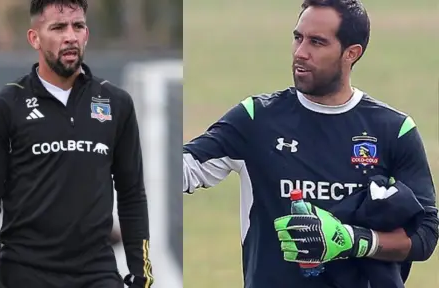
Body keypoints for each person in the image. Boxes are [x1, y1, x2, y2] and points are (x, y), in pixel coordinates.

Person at [182, 0, 438, 287]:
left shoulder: (394, 129)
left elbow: (426, 234)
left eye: (317, 42)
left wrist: (354, 241)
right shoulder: (257, 119)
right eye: (298, 38)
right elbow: (184, 169)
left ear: (351, 53)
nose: (300, 53)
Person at [0, 1, 153, 287]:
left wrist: (141, 276)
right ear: (34, 38)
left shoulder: (115, 103)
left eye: (77, 26)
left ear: (86, 34)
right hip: (26, 273)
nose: (70, 36)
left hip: (97, 273)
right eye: (58, 27)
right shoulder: (4, 107)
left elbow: (132, 195)